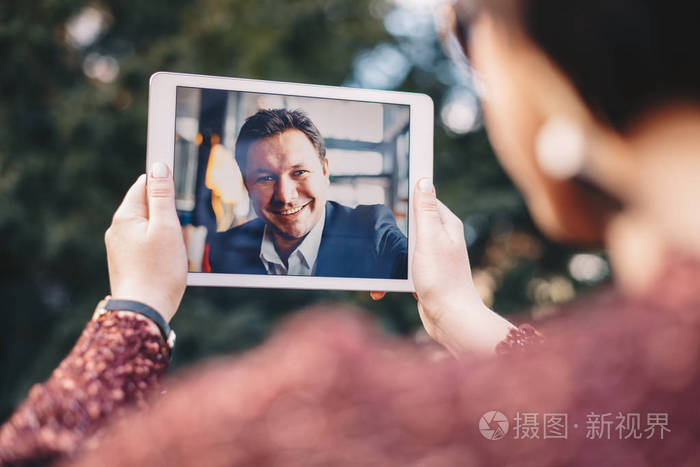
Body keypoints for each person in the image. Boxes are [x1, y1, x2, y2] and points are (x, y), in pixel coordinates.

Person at [3, 0, 700, 465]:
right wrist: (458, 314)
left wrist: (135, 314)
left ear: (532, 53)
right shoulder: (224, 243)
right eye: (263, 179)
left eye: (466, 36)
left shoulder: (340, 415)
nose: (285, 194)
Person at [207, 108, 408, 279]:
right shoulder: (225, 249)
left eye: (299, 172)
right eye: (265, 178)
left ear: (324, 171)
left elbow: (414, 266)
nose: (285, 197)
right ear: (247, 186)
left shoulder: (372, 231)